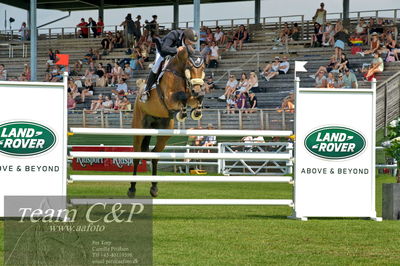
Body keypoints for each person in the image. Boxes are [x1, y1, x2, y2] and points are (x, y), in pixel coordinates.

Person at [140, 28, 199, 102]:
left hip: (176, 54)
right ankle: (146, 90)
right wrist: (176, 50)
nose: (191, 45)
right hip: (163, 51)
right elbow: (164, 49)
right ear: (185, 37)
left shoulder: (188, 43)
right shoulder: (173, 34)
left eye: (192, 43)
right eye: (189, 42)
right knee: (156, 66)